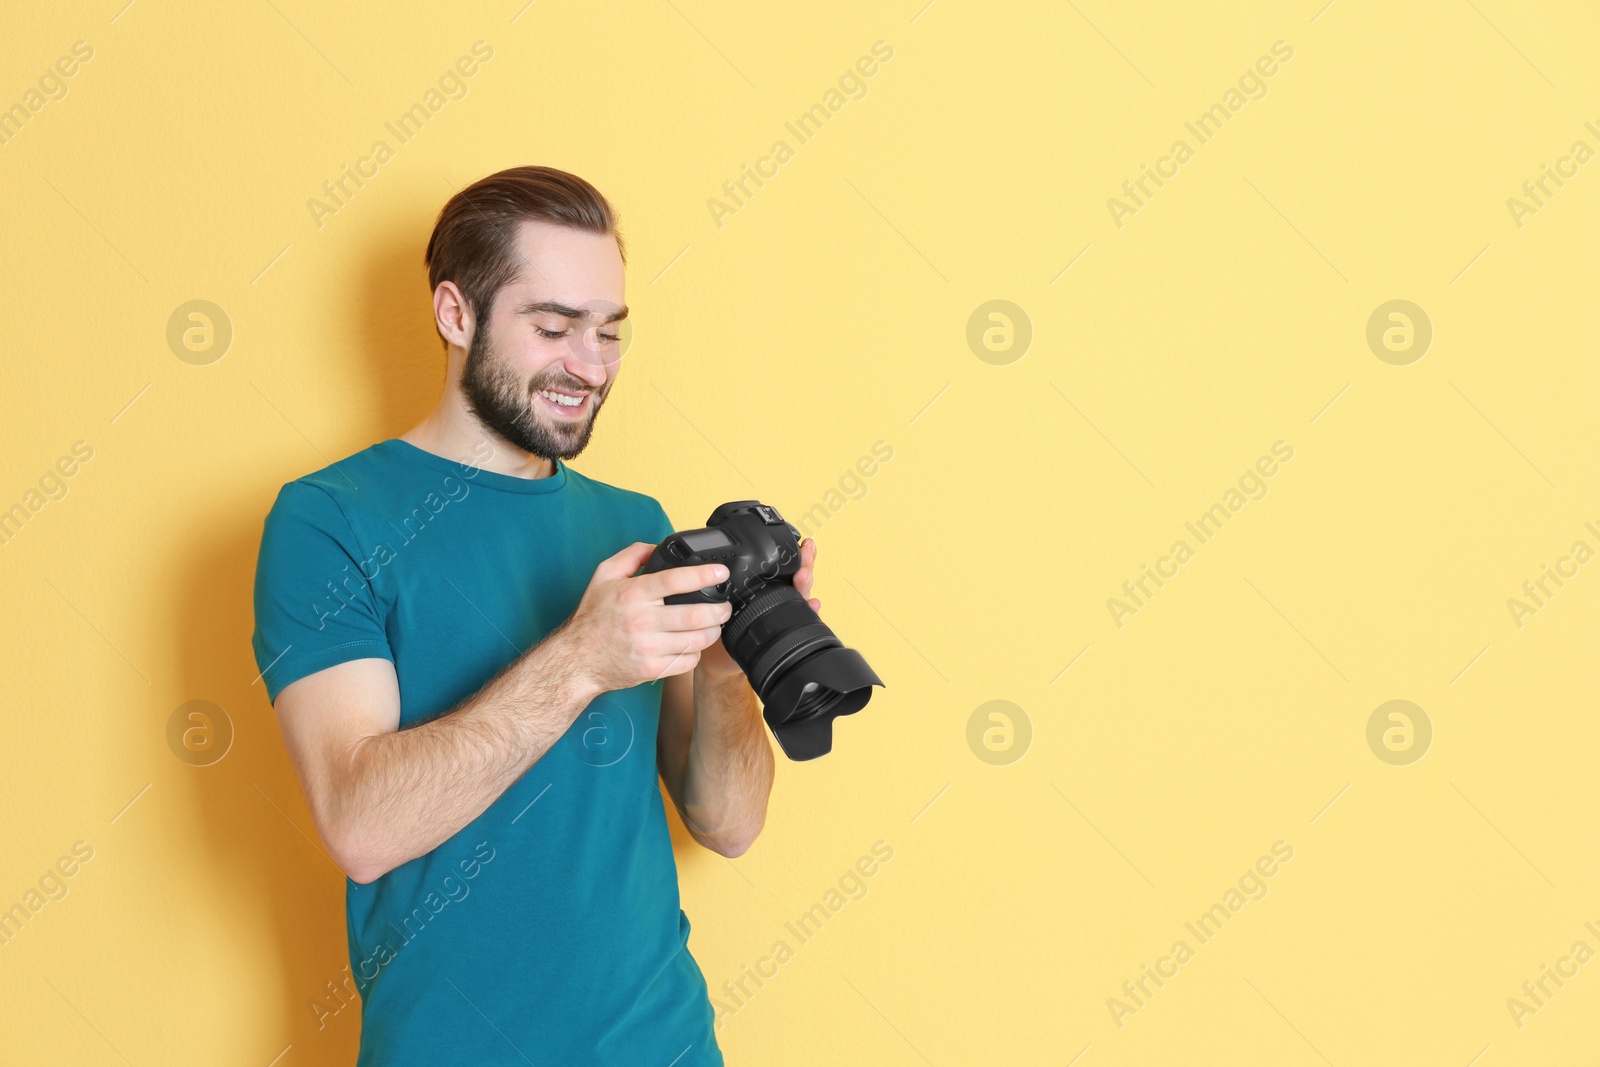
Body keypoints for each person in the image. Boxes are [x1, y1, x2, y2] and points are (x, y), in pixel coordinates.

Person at [251, 165, 818, 1066]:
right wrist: (585, 657)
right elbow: (361, 827)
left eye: (608, 332)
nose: (590, 367)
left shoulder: (635, 525)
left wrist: (724, 674)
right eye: (553, 328)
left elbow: (728, 822)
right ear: (455, 315)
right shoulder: (329, 519)